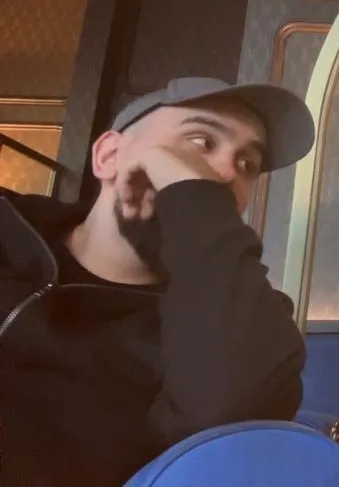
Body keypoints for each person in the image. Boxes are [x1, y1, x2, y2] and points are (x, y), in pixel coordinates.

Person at [0, 77, 317, 486]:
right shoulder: (9, 234)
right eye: (201, 141)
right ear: (110, 156)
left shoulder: (235, 323)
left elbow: (229, 437)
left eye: (246, 165)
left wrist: (195, 198)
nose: (225, 173)